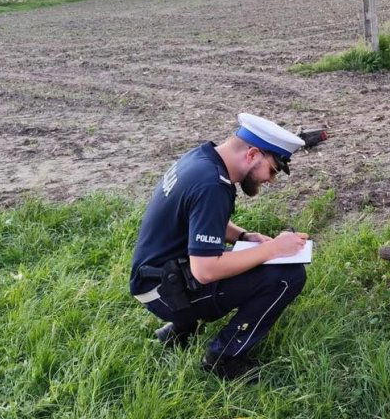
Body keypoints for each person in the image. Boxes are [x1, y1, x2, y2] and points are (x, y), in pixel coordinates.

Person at [129, 113, 310, 380]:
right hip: (164, 291)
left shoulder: (202, 160)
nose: (271, 180)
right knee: (288, 276)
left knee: (249, 259)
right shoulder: (213, 186)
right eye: (273, 170)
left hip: (154, 276)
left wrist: (244, 237)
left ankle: (180, 330)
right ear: (252, 155)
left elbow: (198, 218)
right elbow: (205, 271)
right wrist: (274, 249)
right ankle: (223, 358)